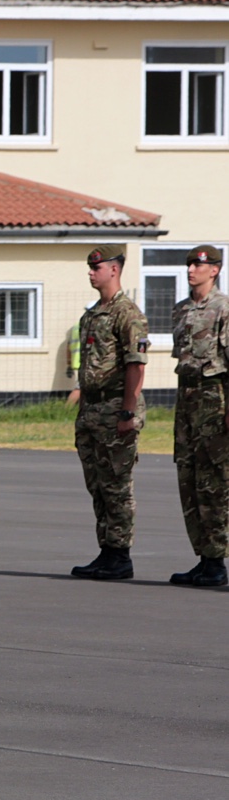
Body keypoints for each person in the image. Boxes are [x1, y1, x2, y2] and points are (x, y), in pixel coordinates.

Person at [69, 244, 149, 581]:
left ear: (114, 270)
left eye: (96, 268)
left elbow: (136, 365)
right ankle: (106, 550)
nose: (91, 272)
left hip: (117, 406)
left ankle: (120, 554)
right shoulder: (91, 314)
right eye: (90, 267)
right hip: (92, 409)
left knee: (117, 485)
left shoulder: (126, 313)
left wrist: (128, 412)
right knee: (98, 485)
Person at [169, 244, 229, 588]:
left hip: (215, 402)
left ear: (215, 270)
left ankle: (217, 561)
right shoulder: (180, 311)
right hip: (186, 403)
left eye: (199, 265)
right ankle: (204, 558)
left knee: (215, 484)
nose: (192, 269)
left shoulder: (223, 309)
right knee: (189, 480)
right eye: (190, 264)